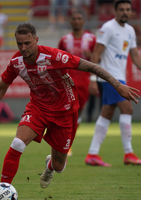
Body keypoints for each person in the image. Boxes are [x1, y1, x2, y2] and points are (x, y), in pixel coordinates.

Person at [0, 22, 139, 189]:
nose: (23, 47)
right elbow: (0, 89)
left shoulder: (54, 56)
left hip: (65, 111)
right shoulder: (16, 63)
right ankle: (4, 188)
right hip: (38, 108)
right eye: (20, 44)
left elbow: (91, 66)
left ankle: (50, 166)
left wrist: (117, 85)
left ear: (36, 40)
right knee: (18, 143)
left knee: (59, 166)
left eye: (27, 43)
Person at [85, 0, 141, 166]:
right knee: (127, 108)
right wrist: (93, 79)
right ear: (115, 11)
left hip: (120, 78)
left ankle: (92, 154)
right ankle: (128, 153)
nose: (125, 12)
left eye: (128, 10)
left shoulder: (130, 30)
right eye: (122, 9)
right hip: (109, 77)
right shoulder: (107, 28)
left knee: (107, 113)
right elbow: (95, 55)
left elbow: (135, 57)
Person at [58, 9, 96, 156]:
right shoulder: (64, 39)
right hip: (68, 82)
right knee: (68, 113)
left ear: (83, 21)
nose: (76, 21)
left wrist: (93, 79)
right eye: (73, 18)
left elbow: (97, 59)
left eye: (79, 18)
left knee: (77, 114)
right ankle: (65, 145)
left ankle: (67, 143)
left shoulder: (91, 39)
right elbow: (57, 59)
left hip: (84, 82)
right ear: (70, 21)